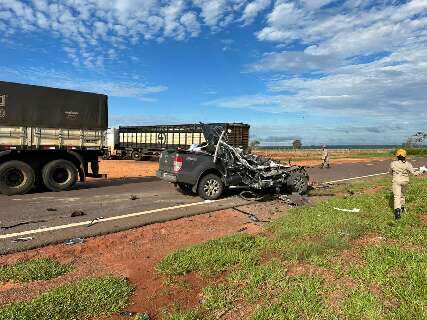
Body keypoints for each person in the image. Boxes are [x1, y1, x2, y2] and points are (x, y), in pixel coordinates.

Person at [389, 149, 421, 219]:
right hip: (405, 181)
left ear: (397, 156)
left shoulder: (393, 163)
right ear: (405, 156)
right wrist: (422, 171)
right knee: (402, 195)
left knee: (397, 196)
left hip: (396, 180)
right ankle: (403, 208)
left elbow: (390, 172)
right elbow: (414, 173)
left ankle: (397, 212)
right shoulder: (408, 164)